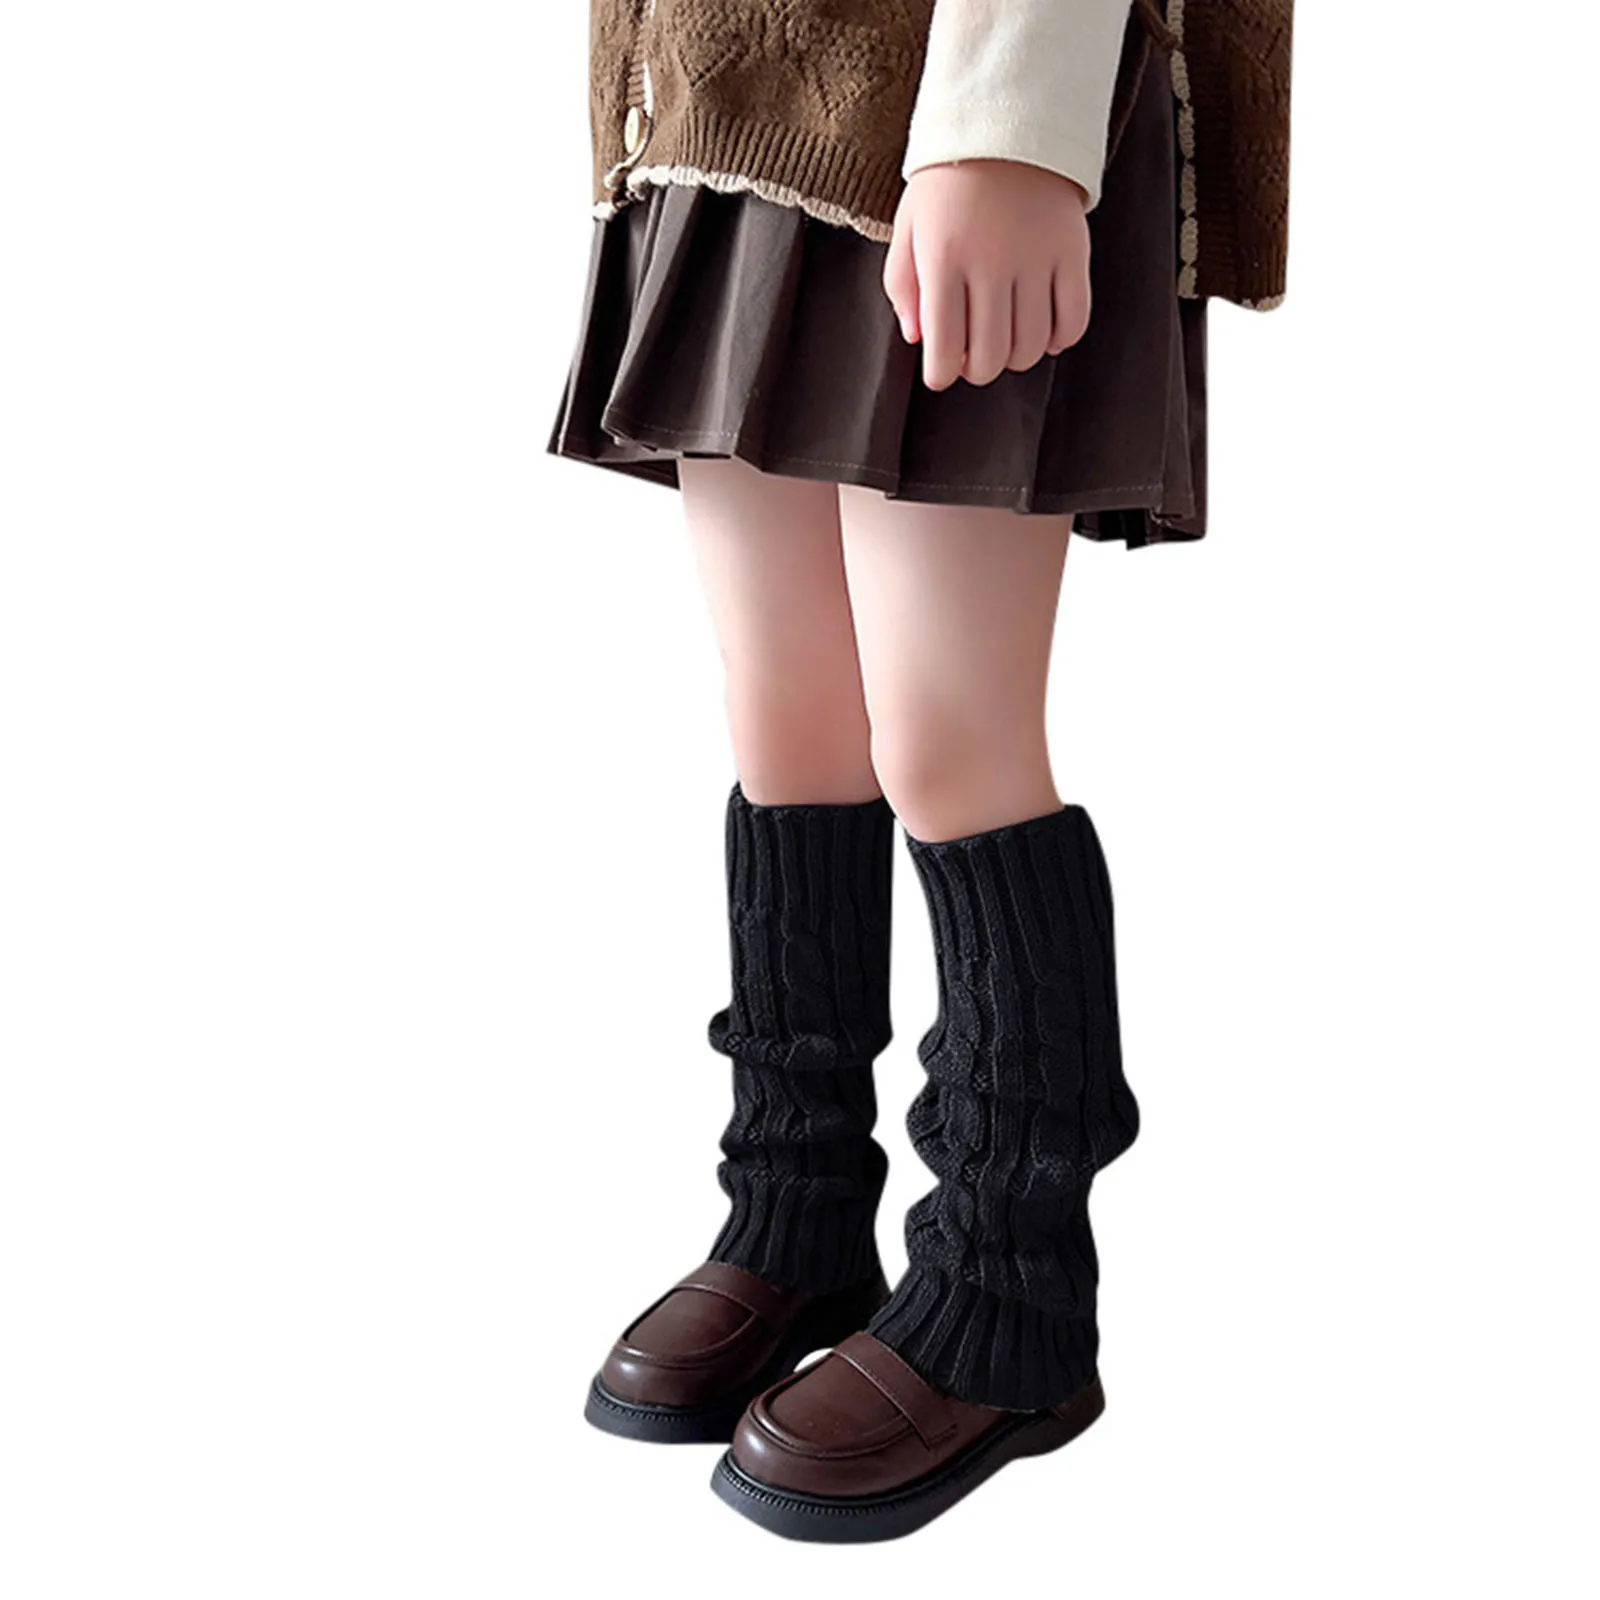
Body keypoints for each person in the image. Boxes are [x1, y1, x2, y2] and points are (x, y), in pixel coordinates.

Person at [548, 0, 1292, 1542]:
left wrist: (1016, 122)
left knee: (948, 737)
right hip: (725, 94)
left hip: (952, 108)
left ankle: (1010, 1286)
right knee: (787, 713)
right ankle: (797, 1209)